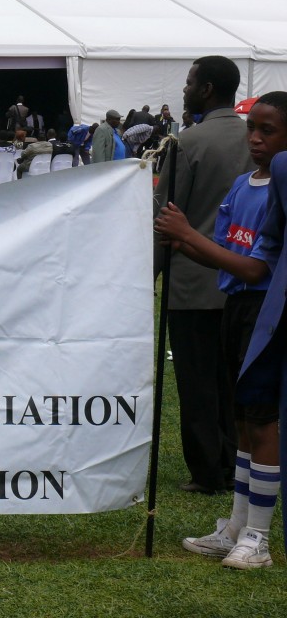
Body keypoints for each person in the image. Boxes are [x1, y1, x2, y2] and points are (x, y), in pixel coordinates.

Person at [155, 91, 287, 570]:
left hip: (266, 312)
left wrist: (188, 234)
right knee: (241, 418)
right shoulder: (241, 185)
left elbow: (256, 269)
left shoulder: (280, 190)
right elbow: (226, 254)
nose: (255, 139)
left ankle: (259, 538)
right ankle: (236, 526)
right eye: (252, 128)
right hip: (234, 308)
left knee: (262, 419)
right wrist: (182, 240)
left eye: (268, 131)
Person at [154, 56, 254, 496]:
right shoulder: (257, 138)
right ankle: (235, 462)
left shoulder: (188, 142)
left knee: (196, 383)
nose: (185, 89)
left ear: (207, 89)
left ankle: (207, 471)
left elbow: (165, 216)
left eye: (190, 82)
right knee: (232, 381)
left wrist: (148, 276)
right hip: (244, 281)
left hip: (192, 280)